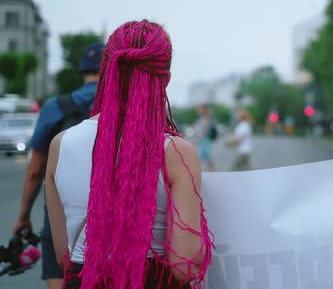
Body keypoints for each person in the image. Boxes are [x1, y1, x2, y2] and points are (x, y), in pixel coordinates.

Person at [44, 20, 213, 288]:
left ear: (106, 70)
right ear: (165, 79)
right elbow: (185, 266)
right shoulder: (177, 152)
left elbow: (65, 255)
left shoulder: (60, 145)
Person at [13, 43, 103, 289]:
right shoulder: (121, 108)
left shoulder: (55, 106)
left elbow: (35, 171)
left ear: (83, 71)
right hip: (110, 214)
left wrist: (23, 217)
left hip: (59, 214)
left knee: (61, 276)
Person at [194, 104, 217, 171]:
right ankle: (212, 171)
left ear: (203, 110)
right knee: (207, 158)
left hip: (205, 141)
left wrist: (197, 140)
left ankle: (212, 172)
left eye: (199, 109)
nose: (198, 111)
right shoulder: (201, 118)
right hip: (203, 141)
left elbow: (203, 131)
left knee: (201, 157)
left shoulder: (205, 119)